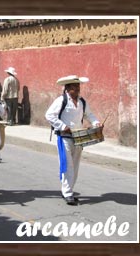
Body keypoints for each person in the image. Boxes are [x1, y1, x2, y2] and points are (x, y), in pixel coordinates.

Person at [45, 75, 102, 205]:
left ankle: (69, 189)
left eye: (78, 87)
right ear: (67, 88)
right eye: (74, 87)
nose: (77, 89)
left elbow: (90, 115)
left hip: (79, 138)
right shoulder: (61, 100)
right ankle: (67, 193)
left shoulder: (82, 102)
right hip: (64, 137)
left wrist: (96, 123)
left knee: (75, 166)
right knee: (67, 165)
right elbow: (49, 115)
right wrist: (63, 126)